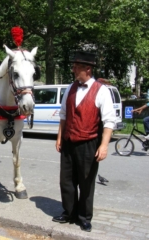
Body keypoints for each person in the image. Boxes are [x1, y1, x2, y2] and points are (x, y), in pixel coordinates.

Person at [53, 51, 116, 232]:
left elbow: (109, 122)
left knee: (86, 182)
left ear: (87, 69)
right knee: (66, 180)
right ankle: (69, 212)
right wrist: (59, 138)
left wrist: (103, 146)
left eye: (76, 67)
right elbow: (64, 115)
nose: (73, 70)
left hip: (89, 143)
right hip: (68, 141)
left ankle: (84, 217)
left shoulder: (101, 91)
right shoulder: (70, 88)